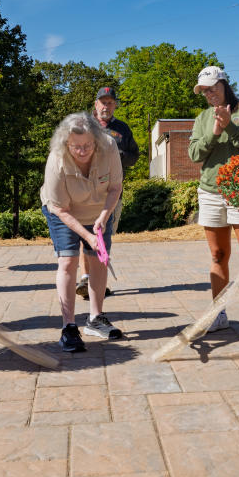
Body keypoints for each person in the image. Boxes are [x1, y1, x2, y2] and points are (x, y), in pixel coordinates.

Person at [187, 66, 239, 336]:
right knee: (218, 254)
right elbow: (195, 154)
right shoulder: (202, 118)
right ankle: (218, 314)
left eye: (212, 88)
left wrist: (230, 125)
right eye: (204, 91)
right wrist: (216, 130)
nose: (209, 94)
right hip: (211, 192)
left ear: (224, 84)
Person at [41, 112, 124, 352]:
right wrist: (87, 236)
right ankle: (69, 327)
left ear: (96, 139)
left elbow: (115, 187)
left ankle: (95, 319)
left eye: (88, 144)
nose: (82, 150)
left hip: (99, 210)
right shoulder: (56, 159)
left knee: (98, 260)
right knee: (68, 261)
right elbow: (60, 208)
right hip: (63, 211)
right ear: (66, 143)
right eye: (76, 146)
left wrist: (102, 218)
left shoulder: (108, 147)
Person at [77, 86, 140, 300]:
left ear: (115, 105)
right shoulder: (84, 125)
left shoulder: (122, 128)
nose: (106, 106)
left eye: (110, 102)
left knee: (105, 237)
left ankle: (99, 281)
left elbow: (135, 155)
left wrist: (119, 155)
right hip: (86, 192)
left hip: (112, 193)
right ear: (95, 104)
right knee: (84, 236)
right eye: (102, 102)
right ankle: (86, 279)